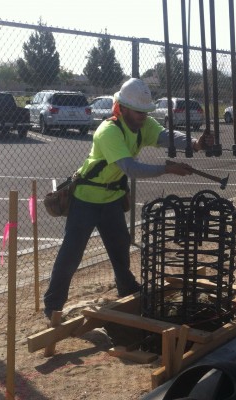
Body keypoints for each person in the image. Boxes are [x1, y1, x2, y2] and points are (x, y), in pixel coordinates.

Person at [43, 77, 214, 318]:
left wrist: (195, 144)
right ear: (121, 108)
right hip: (87, 199)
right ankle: (53, 306)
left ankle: (126, 288)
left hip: (112, 197)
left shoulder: (144, 123)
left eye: (145, 111)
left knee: (119, 246)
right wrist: (166, 168)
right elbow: (130, 168)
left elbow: (166, 136)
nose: (143, 116)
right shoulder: (108, 131)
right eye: (137, 112)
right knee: (71, 253)